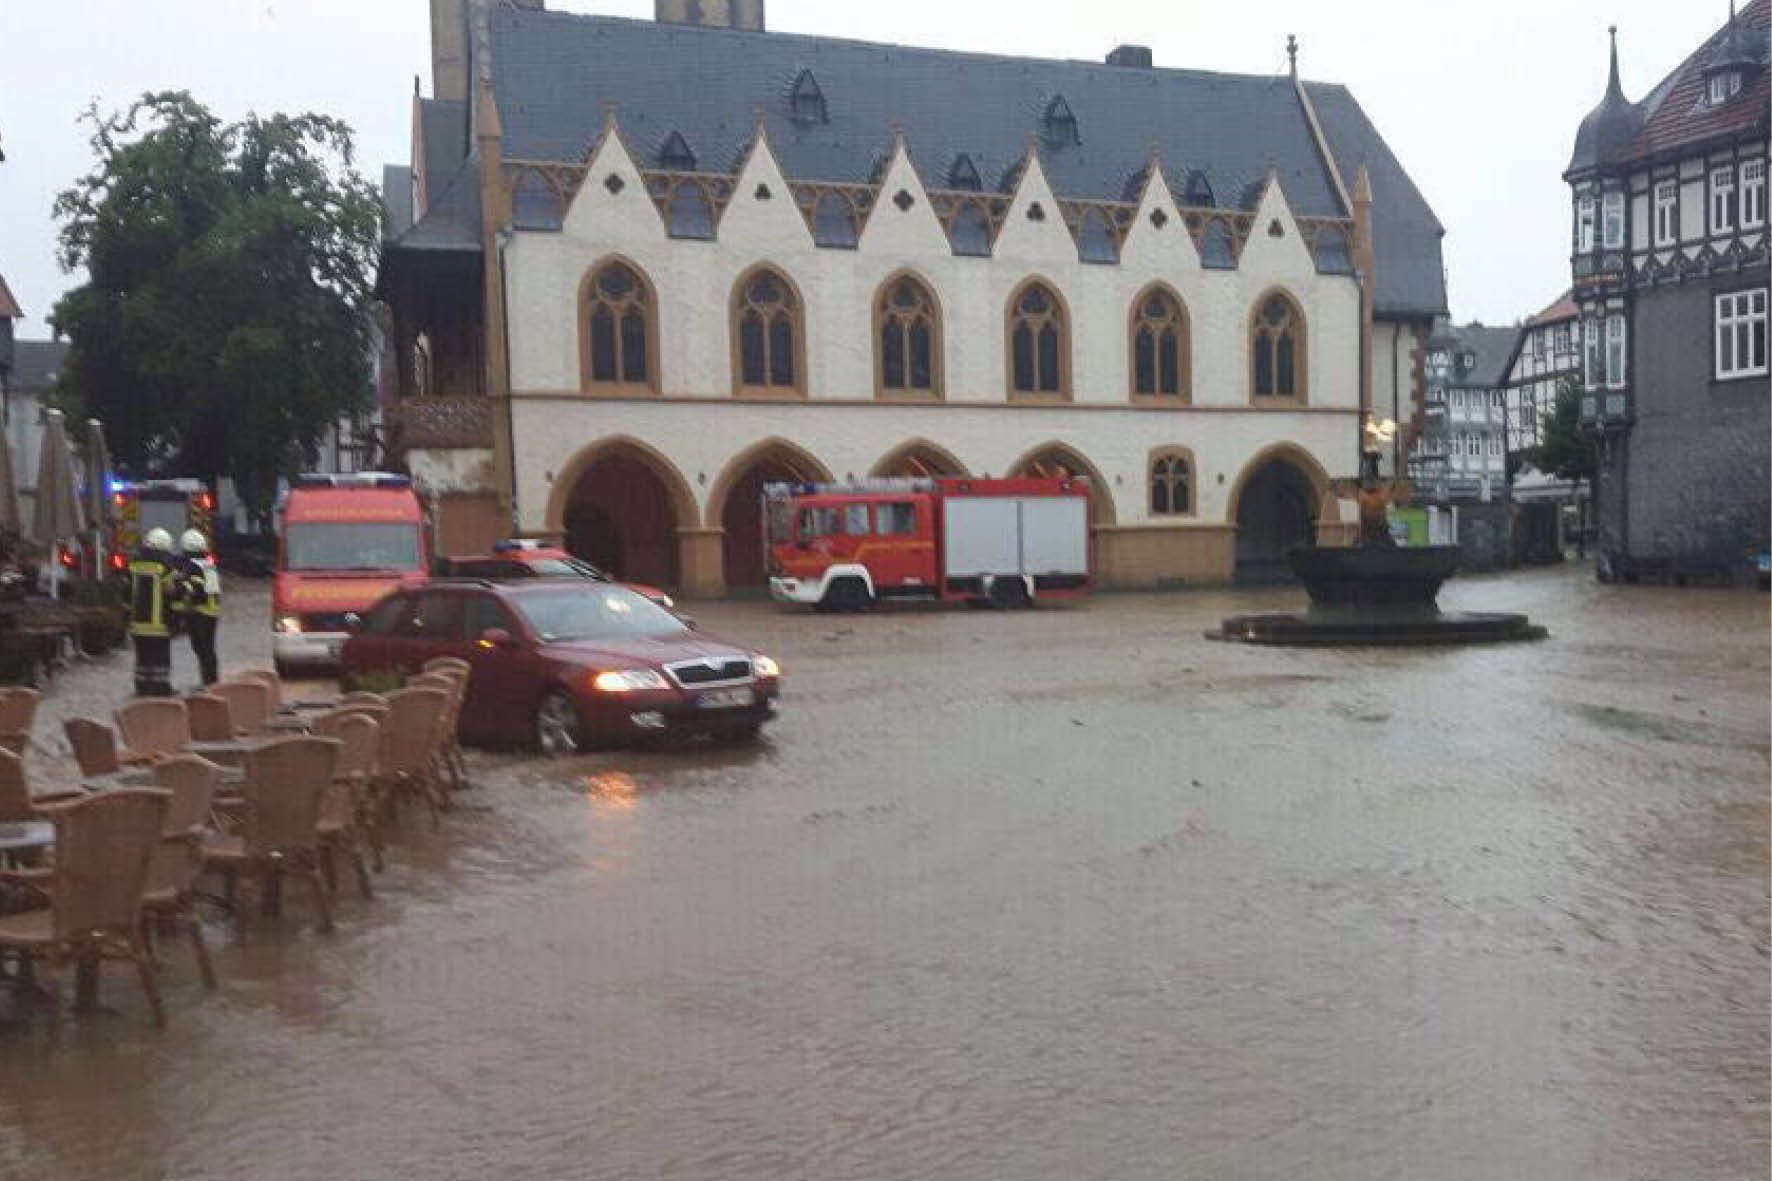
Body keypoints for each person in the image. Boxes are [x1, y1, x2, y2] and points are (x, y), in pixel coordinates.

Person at [126, 528, 180, 697]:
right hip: (158, 624)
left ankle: (141, 687)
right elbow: (171, 591)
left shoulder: (135, 564)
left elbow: (127, 591)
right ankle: (160, 689)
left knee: (142, 659)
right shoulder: (165, 566)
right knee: (160, 660)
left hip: (137, 624)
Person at [175, 528, 221, 686]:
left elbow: (194, 590)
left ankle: (208, 681)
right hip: (212, 614)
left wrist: (179, 585)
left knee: (201, 649)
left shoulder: (192, 566)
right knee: (208, 650)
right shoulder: (209, 564)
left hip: (199, 613)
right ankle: (211, 680)